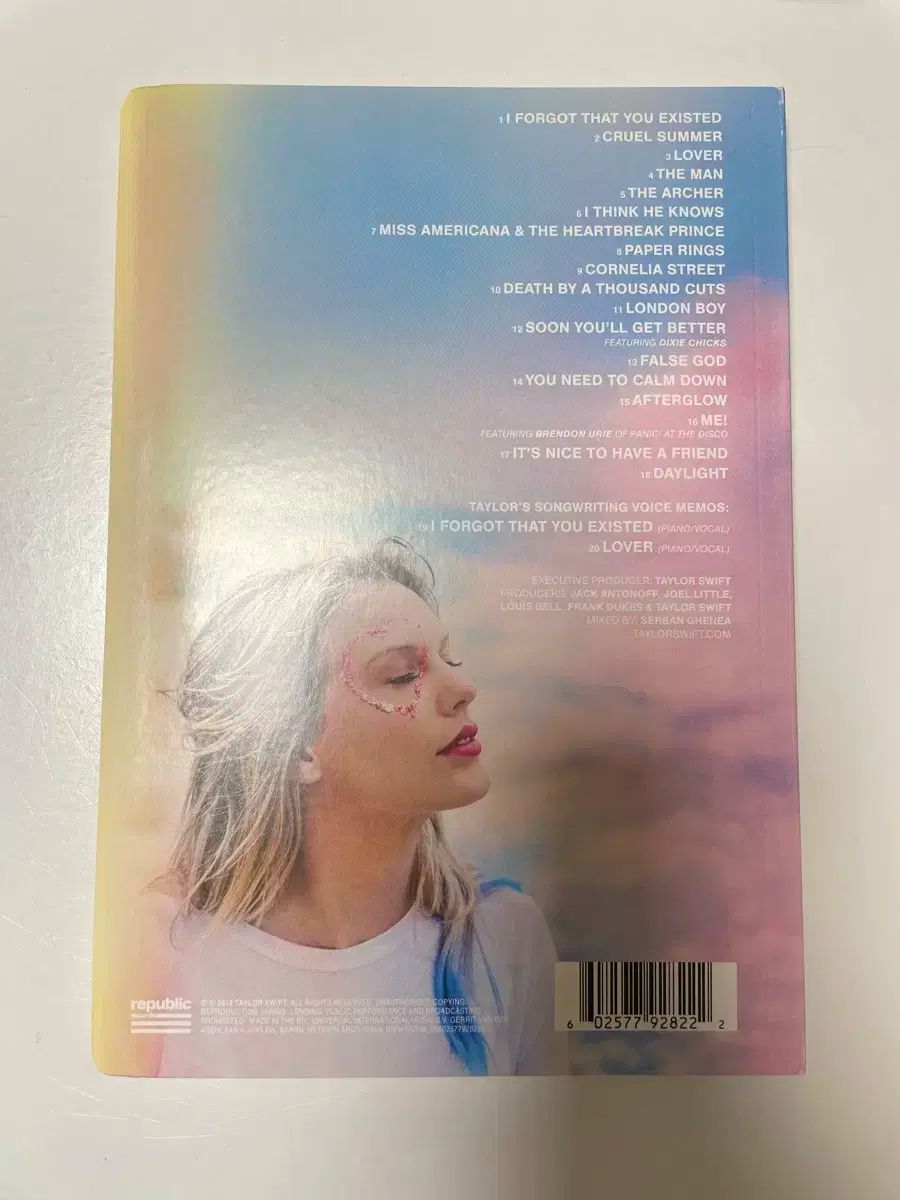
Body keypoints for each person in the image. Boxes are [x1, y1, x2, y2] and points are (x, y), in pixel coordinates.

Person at [148, 538, 568, 1077]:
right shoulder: (167, 952)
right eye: (402, 675)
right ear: (295, 745)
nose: (463, 688)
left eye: (450, 659)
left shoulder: (504, 938)